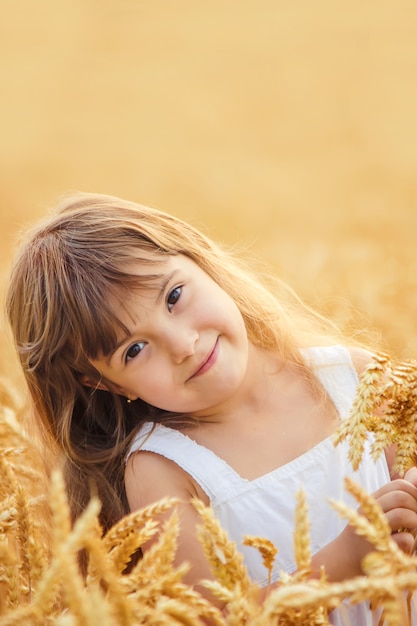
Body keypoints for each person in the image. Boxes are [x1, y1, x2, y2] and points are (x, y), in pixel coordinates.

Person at [6, 191, 417, 625]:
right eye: (136, 349)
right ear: (103, 383)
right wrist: (339, 564)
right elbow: (209, 618)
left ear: (201, 260)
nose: (184, 345)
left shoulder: (353, 376)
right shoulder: (164, 468)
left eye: (174, 296)